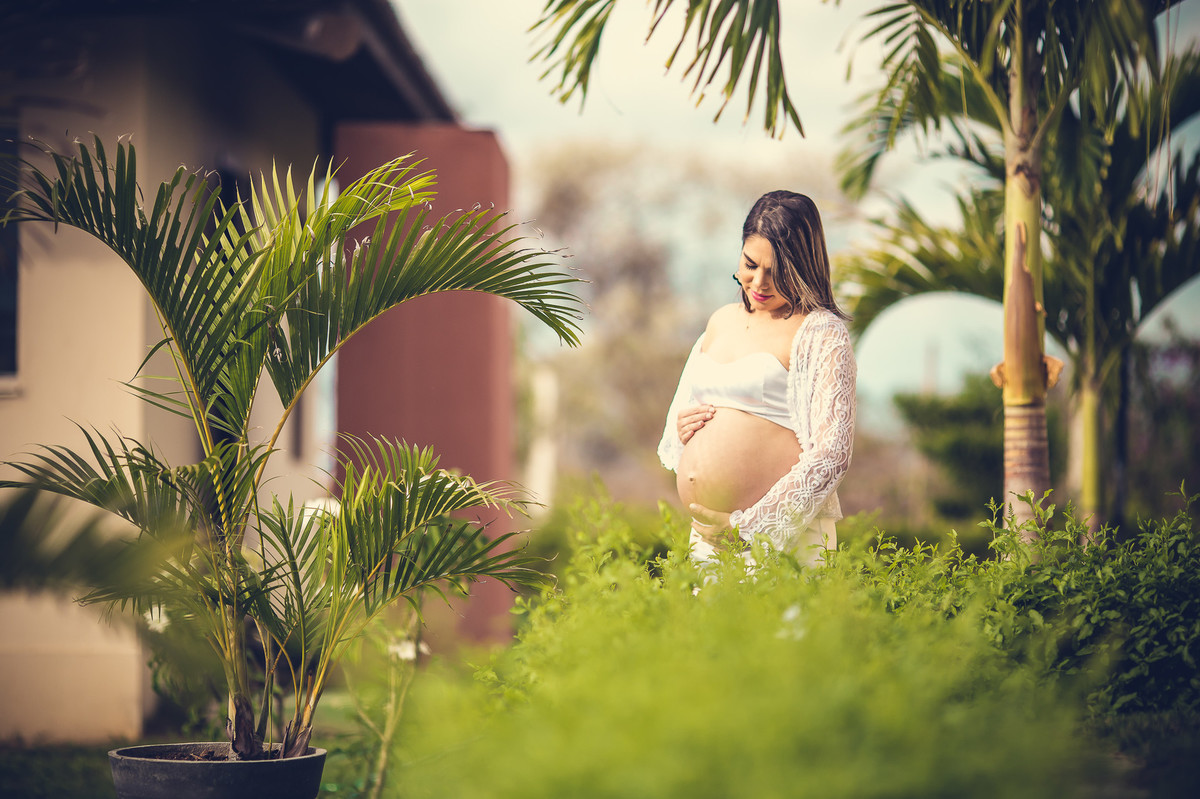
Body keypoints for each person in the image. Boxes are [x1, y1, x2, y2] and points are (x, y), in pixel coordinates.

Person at [657, 190, 856, 564]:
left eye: (776, 271)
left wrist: (750, 527)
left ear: (802, 267)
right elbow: (685, 414)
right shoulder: (720, 320)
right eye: (751, 264)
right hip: (708, 539)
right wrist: (685, 428)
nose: (760, 282)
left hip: (782, 537)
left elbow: (833, 454)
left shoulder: (821, 333)